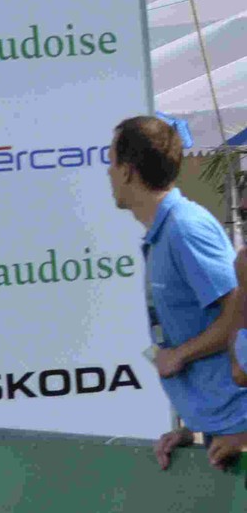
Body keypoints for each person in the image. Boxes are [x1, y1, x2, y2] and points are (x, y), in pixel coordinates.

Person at [106, 114, 247, 471]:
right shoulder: (165, 232)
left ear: (127, 171)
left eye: (110, 162)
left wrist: (180, 354)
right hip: (221, 428)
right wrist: (193, 430)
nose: (107, 174)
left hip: (238, 429)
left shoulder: (186, 228)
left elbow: (240, 312)